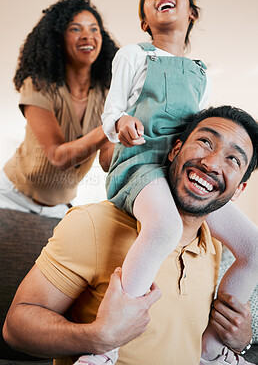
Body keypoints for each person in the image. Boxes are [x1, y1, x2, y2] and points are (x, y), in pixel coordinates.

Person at [3, 105, 258, 365]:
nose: (212, 163)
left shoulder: (215, 245)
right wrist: (97, 337)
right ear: (175, 150)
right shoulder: (93, 223)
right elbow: (15, 329)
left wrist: (240, 340)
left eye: (233, 159)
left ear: (239, 190)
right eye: (205, 142)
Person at [100, 0, 258, 365]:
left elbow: (199, 132)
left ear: (191, 13)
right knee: (166, 228)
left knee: (255, 247)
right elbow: (111, 111)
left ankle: (211, 350)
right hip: (141, 162)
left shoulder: (201, 71)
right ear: (145, 20)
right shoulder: (133, 56)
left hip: (182, 171)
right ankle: (105, 348)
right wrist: (120, 125)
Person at [0, 0, 117, 218]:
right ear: (58, 40)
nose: (87, 36)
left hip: (59, 207)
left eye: (94, 29)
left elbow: (106, 160)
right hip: (10, 195)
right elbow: (58, 156)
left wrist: (135, 135)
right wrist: (112, 125)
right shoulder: (37, 85)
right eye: (75, 29)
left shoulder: (107, 94)